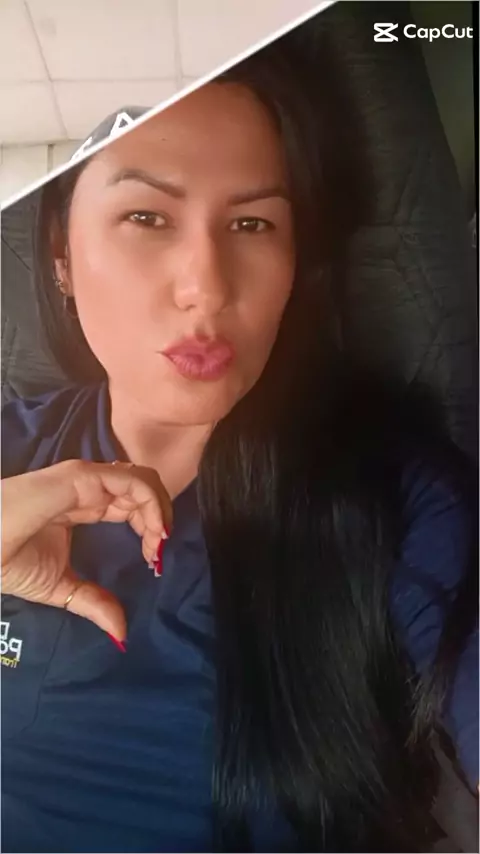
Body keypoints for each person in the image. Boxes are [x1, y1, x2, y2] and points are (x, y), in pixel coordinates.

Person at [1, 40, 478, 854]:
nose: (208, 287)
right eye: (147, 217)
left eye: (253, 223)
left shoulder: (390, 497)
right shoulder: (13, 449)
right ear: (61, 257)